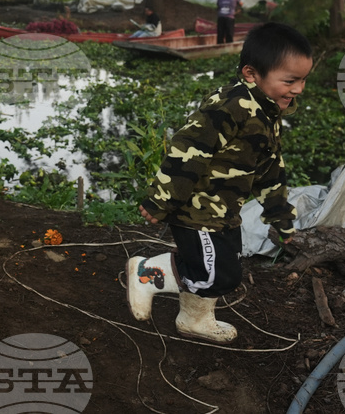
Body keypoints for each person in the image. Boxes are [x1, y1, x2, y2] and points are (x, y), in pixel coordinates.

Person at [126, 22, 313, 342]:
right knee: (219, 276)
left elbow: (270, 170)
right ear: (251, 73)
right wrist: (161, 199)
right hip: (196, 209)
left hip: (224, 211)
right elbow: (187, 149)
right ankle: (146, 274)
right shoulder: (231, 106)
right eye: (290, 81)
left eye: (303, 80)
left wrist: (280, 217)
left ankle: (194, 320)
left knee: (218, 265)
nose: (298, 89)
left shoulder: (267, 113)